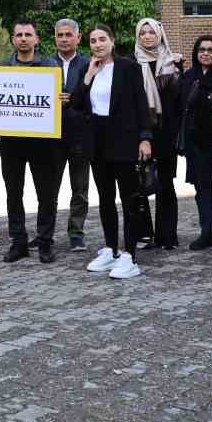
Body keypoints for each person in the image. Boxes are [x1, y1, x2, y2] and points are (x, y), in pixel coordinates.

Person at [79, 25, 151, 280]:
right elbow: (77, 105)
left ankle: (129, 255)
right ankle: (111, 248)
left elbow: (141, 104)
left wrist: (145, 138)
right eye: (93, 41)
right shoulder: (88, 69)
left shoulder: (129, 67)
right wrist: (88, 76)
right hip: (97, 143)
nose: (98, 44)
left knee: (129, 199)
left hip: (125, 140)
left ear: (112, 40)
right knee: (105, 198)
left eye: (102, 39)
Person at [0, 21, 65, 265]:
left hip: (43, 141)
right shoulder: (3, 67)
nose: (23, 38)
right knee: (13, 193)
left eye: (28, 34)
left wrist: (62, 97)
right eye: (19, 35)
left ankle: (45, 242)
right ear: (13, 40)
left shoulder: (50, 65)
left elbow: (60, 97)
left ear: (37, 39)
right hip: (11, 142)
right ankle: (19, 243)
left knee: (45, 194)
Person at [177, 35, 212, 250]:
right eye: (202, 50)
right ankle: (206, 231)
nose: (206, 53)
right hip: (196, 141)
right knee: (202, 188)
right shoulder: (189, 76)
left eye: (210, 50)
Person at [132, 18, 182, 250]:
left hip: (166, 134)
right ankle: (143, 235)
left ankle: (167, 235)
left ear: (159, 34)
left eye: (151, 32)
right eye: (142, 33)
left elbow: (179, 101)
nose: (147, 36)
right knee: (139, 184)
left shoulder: (172, 64)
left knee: (165, 185)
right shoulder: (131, 64)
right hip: (140, 134)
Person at [49, 18, 92, 251]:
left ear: (78, 37)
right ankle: (46, 233)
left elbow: (96, 99)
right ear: (55, 37)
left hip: (79, 136)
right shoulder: (45, 65)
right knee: (49, 190)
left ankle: (76, 234)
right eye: (60, 35)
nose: (64, 39)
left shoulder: (89, 65)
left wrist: (76, 99)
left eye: (68, 35)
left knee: (80, 189)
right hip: (52, 138)